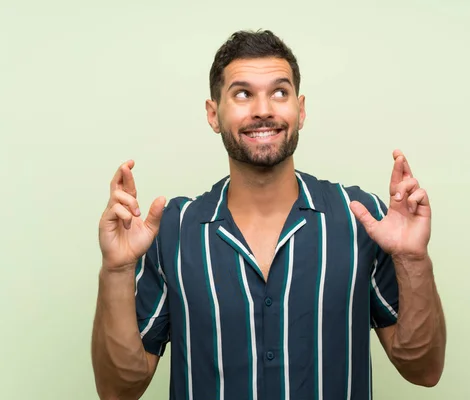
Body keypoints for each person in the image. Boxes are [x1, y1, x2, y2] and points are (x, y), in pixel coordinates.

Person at [91, 29, 446, 400]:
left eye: (280, 92)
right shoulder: (173, 231)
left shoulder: (362, 218)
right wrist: (116, 270)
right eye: (242, 94)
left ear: (301, 109)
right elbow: (119, 389)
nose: (263, 110)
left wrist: (412, 258)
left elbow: (424, 369)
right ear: (213, 114)